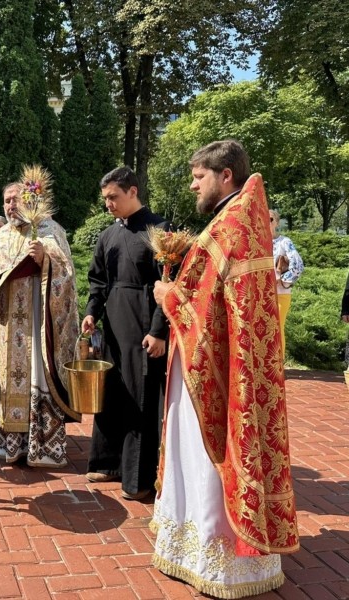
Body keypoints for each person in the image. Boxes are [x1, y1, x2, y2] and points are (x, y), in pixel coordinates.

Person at [152, 140, 299, 598]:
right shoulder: (246, 222)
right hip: (234, 363)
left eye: (199, 177)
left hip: (208, 366)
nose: (194, 185)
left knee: (200, 453)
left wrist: (165, 295)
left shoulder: (227, 227)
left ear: (225, 176)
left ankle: (211, 559)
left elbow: (197, 300)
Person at [0, 182, 80, 467]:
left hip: (37, 326)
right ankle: (4, 444)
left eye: (15, 199)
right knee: (3, 382)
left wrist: (45, 260)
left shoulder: (50, 231)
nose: (10, 206)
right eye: (6, 201)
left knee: (36, 378)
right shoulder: (1, 236)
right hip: (5, 325)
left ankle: (40, 446)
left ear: (30, 200)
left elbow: (66, 275)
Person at [82, 166, 169, 501]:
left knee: (140, 399)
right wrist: (91, 312)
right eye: (105, 199)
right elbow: (98, 281)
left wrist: (159, 331)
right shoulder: (108, 236)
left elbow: (169, 283)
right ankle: (106, 463)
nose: (109, 204)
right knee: (112, 394)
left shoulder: (160, 229)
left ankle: (139, 479)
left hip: (145, 327)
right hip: (114, 328)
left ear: (133, 192)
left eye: (113, 197)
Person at [269, 209, 304, 358]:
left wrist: (281, 280)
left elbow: (298, 266)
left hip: (280, 293)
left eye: (270, 219)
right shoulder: (255, 242)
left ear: (276, 222)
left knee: (276, 327)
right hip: (260, 293)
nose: (266, 222)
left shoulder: (284, 242)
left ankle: (277, 366)